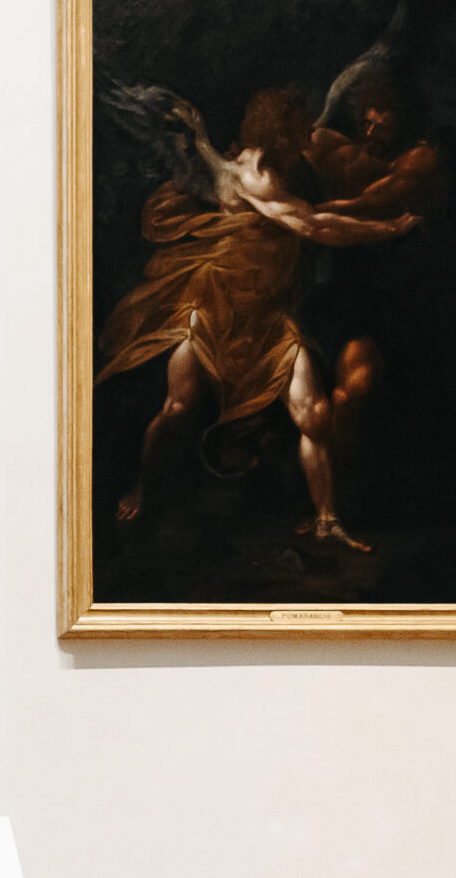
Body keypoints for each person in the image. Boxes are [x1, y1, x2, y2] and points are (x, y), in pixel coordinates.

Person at [97, 88, 418, 549]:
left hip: (266, 316)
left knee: (315, 412)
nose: (309, 138)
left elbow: (313, 215)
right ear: (281, 132)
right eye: (302, 130)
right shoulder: (256, 175)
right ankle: (143, 487)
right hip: (217, 307)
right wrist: (387, 229)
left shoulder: (274, 171)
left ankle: (327, 517)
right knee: (177, 409)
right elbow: (312, 226)